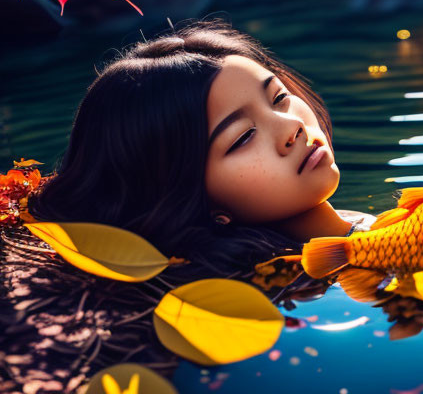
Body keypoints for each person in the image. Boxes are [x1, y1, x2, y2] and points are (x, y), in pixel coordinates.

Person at [27, 17, 373, 279]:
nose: (292, 127)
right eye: (242, 137)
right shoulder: (289, 284)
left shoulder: (357, 228)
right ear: (187, 194)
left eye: (279, 98)